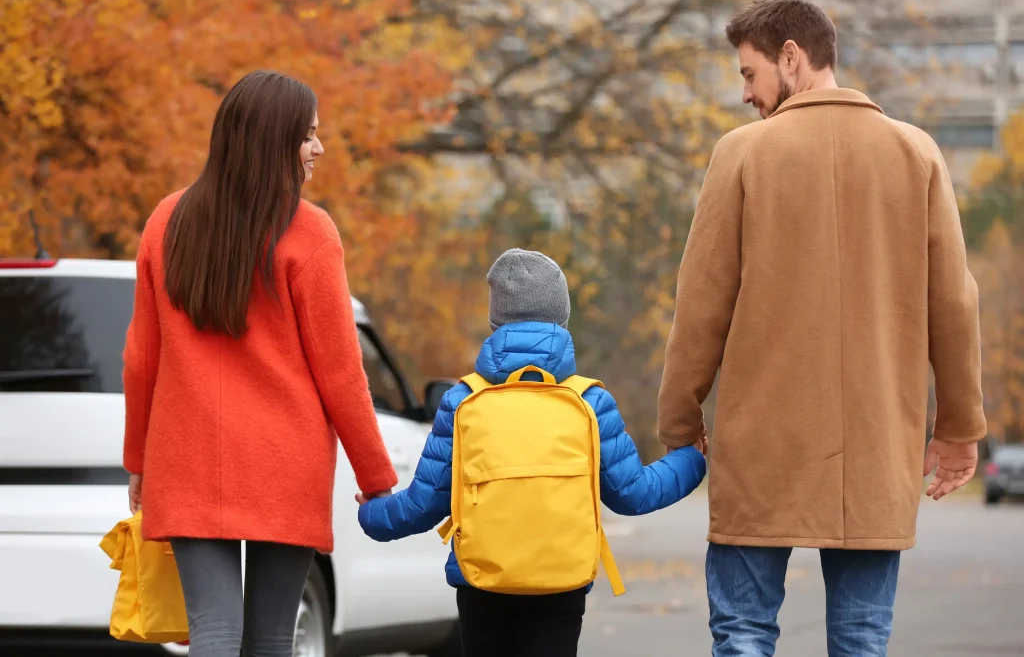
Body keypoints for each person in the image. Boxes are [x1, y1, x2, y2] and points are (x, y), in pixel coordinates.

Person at [656, 0, 987, 657]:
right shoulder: (916, 154)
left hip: (761, 447)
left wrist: (679, 416)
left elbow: (700, 305)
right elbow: (954, 304)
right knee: (862, 639)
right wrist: (958, 428)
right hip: (875, 446)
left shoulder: (742, 155)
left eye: (750, 75)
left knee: (744, 631)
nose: (746, 94)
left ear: (792, 57)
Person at [121, 69, 397, 657]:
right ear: (272, 140)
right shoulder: (310, 232)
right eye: (308, 136)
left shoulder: (165, 221)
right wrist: (376, 478)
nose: (318, 148)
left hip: (186, 457)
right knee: (274, 637)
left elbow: (141, 360)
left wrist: (139, 460)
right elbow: (342, 374)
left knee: (213, 632)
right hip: (284, 461)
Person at [356, 248, 708, 657]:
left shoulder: (462, 400)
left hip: (482, 582)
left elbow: (423, 504)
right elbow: (634, 493)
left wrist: (372, 512)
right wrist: (691, 459)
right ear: (561, 316)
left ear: (495, 320)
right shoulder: (589, 401)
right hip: (560, 581)